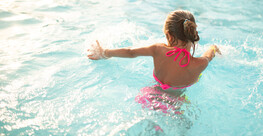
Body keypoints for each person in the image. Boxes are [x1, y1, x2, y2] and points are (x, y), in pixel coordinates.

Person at [87, 10, 221, 94]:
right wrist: (213, 47)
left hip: (151, 96)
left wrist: (104, 52)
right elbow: (209, 54)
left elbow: (130, 52)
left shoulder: (158, 50)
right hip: (176, 104)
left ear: (168, 36)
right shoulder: (200, 64)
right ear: (192, 33)